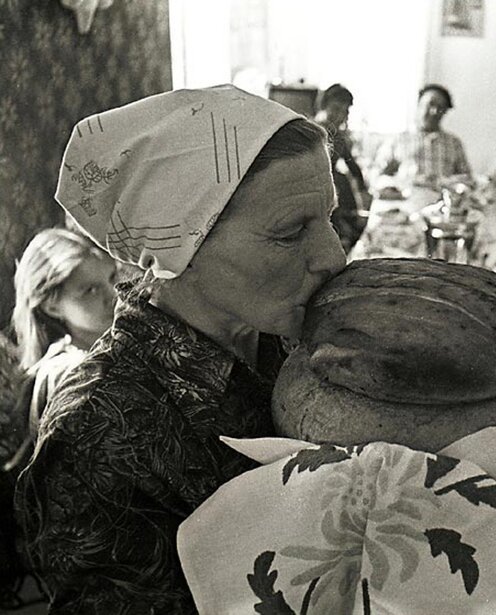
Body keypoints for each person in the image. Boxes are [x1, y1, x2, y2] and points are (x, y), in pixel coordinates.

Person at [15, 85, 347, 613]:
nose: (333, 256)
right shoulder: (98, 432)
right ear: (180, 247)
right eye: (290, 233)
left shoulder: (290, 341)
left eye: (330, 218)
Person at [7, 229, 117, 465]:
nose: (114, 295)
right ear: (52, 307)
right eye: (91, 290)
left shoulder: (111, 345)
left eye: (111, 278)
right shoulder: (70, 372)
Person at [374, 83, 472, 190]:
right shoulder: (397, 140)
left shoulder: (453, 143)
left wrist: (443, 182)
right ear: (419, 104)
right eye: (430, 104)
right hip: (406, 203)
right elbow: (376, 176)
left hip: (441, 202)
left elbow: (467, 179)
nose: (434, 112)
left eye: (440, 108)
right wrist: (407, 181)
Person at [313, 83, 371, 251]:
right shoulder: (312, 131)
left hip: (333, 182)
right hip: (315, 185)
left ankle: (348, 233)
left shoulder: (339, 136)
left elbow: (351, 164)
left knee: (343, 181)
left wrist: (363, 189)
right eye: (336, 109)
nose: (339, 116)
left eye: (344, 111)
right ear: (323, 106)